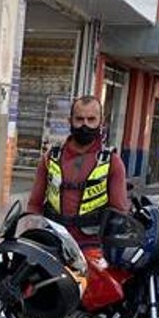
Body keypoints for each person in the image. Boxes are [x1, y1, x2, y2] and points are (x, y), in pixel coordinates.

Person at [26, 95, 130, 249]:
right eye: (79, 119)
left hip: (92, 246)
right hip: (53, 241)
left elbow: (119, 213)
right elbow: (34, 204)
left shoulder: (112, 162)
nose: (84, 125)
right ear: (70, 121)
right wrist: (32, 233)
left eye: (91, 119)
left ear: (101, 122)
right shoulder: (51, 157)